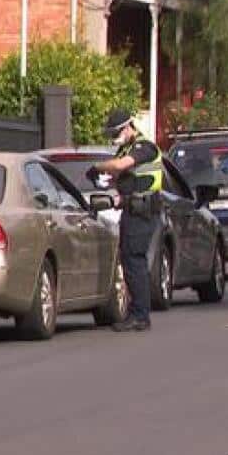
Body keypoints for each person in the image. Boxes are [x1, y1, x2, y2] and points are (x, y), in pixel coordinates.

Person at [90, 108, 163, 332]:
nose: (114, 138)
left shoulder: (144, 147)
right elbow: (123, 177)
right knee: (131, 260)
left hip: (143, 212)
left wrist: (98, 167)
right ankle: (138, 312)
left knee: (134, 262)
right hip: (132, 211)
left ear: (127, 127)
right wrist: (105, 180)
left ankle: (140, 315)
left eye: (116, 132)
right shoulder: (127, 148)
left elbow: (121, 166)